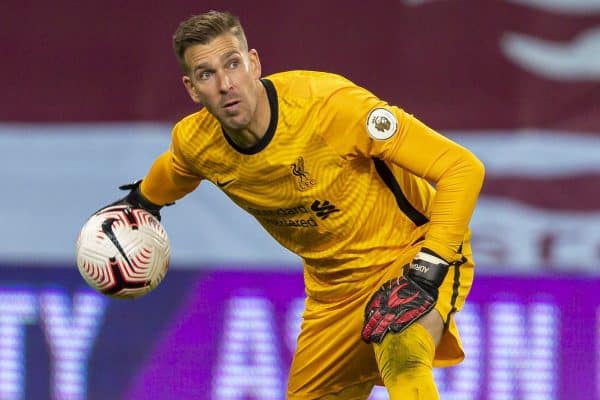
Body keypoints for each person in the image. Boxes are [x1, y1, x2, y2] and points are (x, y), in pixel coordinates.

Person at [109, 10, 485, 400]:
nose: (225, 84)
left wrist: (428, 268)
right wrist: (141, 202)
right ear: (191, 89)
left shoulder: (330, 107)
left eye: (233, 64)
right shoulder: (198, 143)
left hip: (410, 256)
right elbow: (173, 171)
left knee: (403, 353)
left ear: (253, 63)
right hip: (332, 295)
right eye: (207, 74)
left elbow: (462, 168)